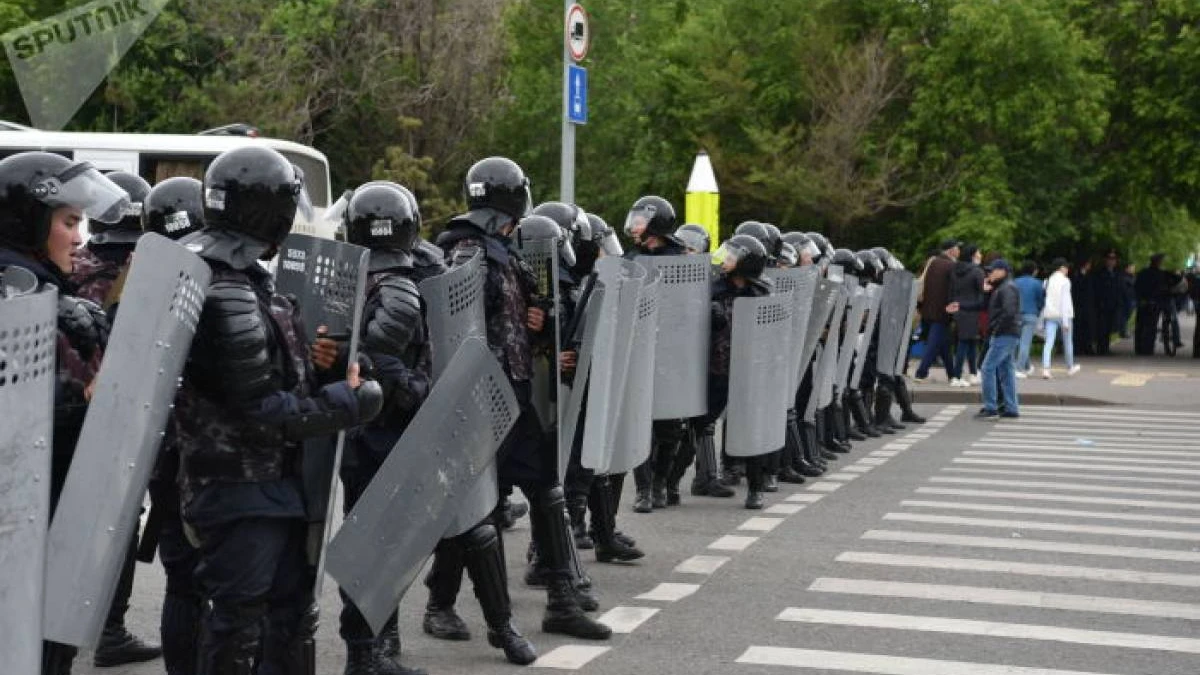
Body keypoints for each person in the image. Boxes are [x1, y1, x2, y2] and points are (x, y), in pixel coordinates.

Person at [174, 146, 383, 674]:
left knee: (288, 614)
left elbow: (274, 373)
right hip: (240, 486)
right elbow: (260, 409)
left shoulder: (239, 275)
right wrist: (346, 403)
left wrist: (328, 364)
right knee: (239, 624)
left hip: (267, 484)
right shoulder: (227, 289)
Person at [424, 157, 609, 667]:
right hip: (480, 399)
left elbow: (534, 305)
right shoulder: (468, 250)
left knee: (546, 488)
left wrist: (539, 316)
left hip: (515, 393)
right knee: (474, 507)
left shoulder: (502, 248)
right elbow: (454, 327)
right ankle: (442, 604)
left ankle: (562, 600)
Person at [0, 151, 131, 675]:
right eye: (69, 222)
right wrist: (88, 400)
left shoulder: (45, 288)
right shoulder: (15, 297)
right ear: (30, 222)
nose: (80, 238)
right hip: (26, 518)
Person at [60, 169, 164, 668]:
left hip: (67, 412)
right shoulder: (144, 271)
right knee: (118, 524)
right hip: (117, 411)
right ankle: (111, 629)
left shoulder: (73, 265)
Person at [336, 182, 433, 675]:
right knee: (379, 544)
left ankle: (373, 645)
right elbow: (380, 356)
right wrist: (417, 390)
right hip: (384, 431)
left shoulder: (343, 278)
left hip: (357, 429)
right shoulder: (397, 287)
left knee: (371, 540)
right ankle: (366, 652)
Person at [623, 196, 689, 512]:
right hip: (639, 350)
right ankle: (644, 489)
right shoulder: (631, 259)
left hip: (673, 353)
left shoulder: (682, 261)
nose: (634, 225)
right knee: (641, 424)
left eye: (640, 220)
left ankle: (662, 481)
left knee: (670, 428)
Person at [706, 234, 774, 509]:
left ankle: (756, 488)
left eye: (732, 256)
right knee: (699, 425)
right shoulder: (713, 289)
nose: (726, 259)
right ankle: (667, 484)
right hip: (717, 368)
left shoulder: (762, 294)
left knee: (750, 428)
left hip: (749, 371)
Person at [951, 259, 1020, 419]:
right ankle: (1011, 407)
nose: (989, 274)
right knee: (1006, 370)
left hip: (1004, 334)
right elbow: (984, 306)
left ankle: (991, 408)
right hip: (1008, 333)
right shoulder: (1002, 287)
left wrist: (995, 329)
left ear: (1002, 271)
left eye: (992, 271)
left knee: (987, 368)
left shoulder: (1006, 288)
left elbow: (1009, 312)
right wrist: (963, 305)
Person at [913, 239, 959, 383]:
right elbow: (954, 289)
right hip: (942, 311)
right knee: (933, 344)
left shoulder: (932, 263)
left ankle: (952, 374)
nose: (959, 251)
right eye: (957, 248)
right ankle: (921, 373)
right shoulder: (951, 266)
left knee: (944, 344)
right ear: (951, 250)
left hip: (927, 309)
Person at [948, 244, 985, 387]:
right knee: (964, 344)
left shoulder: (954, 270)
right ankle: (956, 376)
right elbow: (981, 292)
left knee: (970, 342)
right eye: (979, 253)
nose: (981, 255)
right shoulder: (977, 271)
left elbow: (951, 291)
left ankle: (973, 373)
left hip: (958, 309)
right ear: (973, 255)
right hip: (972, 310)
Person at [1041, 258, 1080, 378]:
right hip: (1064, 315)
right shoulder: (1065, 281)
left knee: (1049, 342)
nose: (1068, 269)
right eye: (1066, 267)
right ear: (1061, 268)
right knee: (1068, 342)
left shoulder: (1047, 281)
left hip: (1050, 314)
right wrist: (1065, 322)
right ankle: (1070, 366)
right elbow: (1065, 301)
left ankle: (1046, 369)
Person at [1011, 261, 1044, 378]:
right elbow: (1041, 300)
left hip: (1016, 314)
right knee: (1025, 343)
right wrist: (1038, 310)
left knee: (1016, 341)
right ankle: (1018, 368)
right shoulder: (1037, 283)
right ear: (1034, 271)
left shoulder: (1015, 282)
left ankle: (1026, 366)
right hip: (1031, 314)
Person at [1134, 253, 1168, 354]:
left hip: (1143, 302)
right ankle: (1148, 348)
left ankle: (1139, 347)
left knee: (1140, 326)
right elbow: (1162, 289)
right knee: (1151, 326)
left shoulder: (1143, 272)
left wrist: (1140, 299)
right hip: (1154, 303)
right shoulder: (1160, 274)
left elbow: (1136, 287)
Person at [1092, 250, 1122, 355]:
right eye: (1110, 259)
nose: (1112, 261)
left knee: (1109, 327)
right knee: (1102, 327)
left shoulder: (1117, 273)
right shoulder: (1100, 273)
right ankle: (1101, 348)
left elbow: (1119, 288)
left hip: (1113, 304)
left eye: (1114, 259)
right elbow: (1097, 289)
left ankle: (1106, 347)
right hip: (1102, 305)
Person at [1118, 262, 1137, 339]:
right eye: (1131, 267)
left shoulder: (1132, 277)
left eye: (1133, 267)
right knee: (1124, 316)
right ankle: (1123, 332)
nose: (1133, 269)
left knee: (1127, 316)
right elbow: (1124, 289)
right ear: (1127, 268)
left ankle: (1123, 331)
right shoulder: (1124, 277)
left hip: (1132, 299)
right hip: (1126, 300)